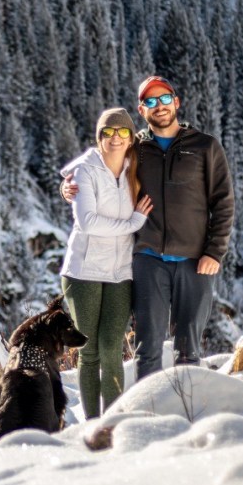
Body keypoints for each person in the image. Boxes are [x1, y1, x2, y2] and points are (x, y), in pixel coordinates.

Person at [62, 76, 235, 382]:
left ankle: (187, 406)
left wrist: (214, 252)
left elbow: (223, 201)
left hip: (195, 260)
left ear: (176, 102)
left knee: (189, 348)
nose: (160, 106)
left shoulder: (204, 146)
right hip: (147, 259)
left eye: (165, 99)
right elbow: (99, 162)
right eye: (151, 102)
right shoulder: (136, 149)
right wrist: (68, 184)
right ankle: (149, 408)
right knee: (148, 346)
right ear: (142, 110)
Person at [60, 108, 153, 418]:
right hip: (84, 271)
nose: (115, 138)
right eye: (108, 132)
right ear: (98, 137)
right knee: (89, 351)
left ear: (131, 138)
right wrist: (133, 223)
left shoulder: (136, 168)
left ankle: (113, 422)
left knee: (112, 348)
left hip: (121, 272)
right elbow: (87, 222)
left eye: (122, 132)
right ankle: (92, 424)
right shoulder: (84, 172)